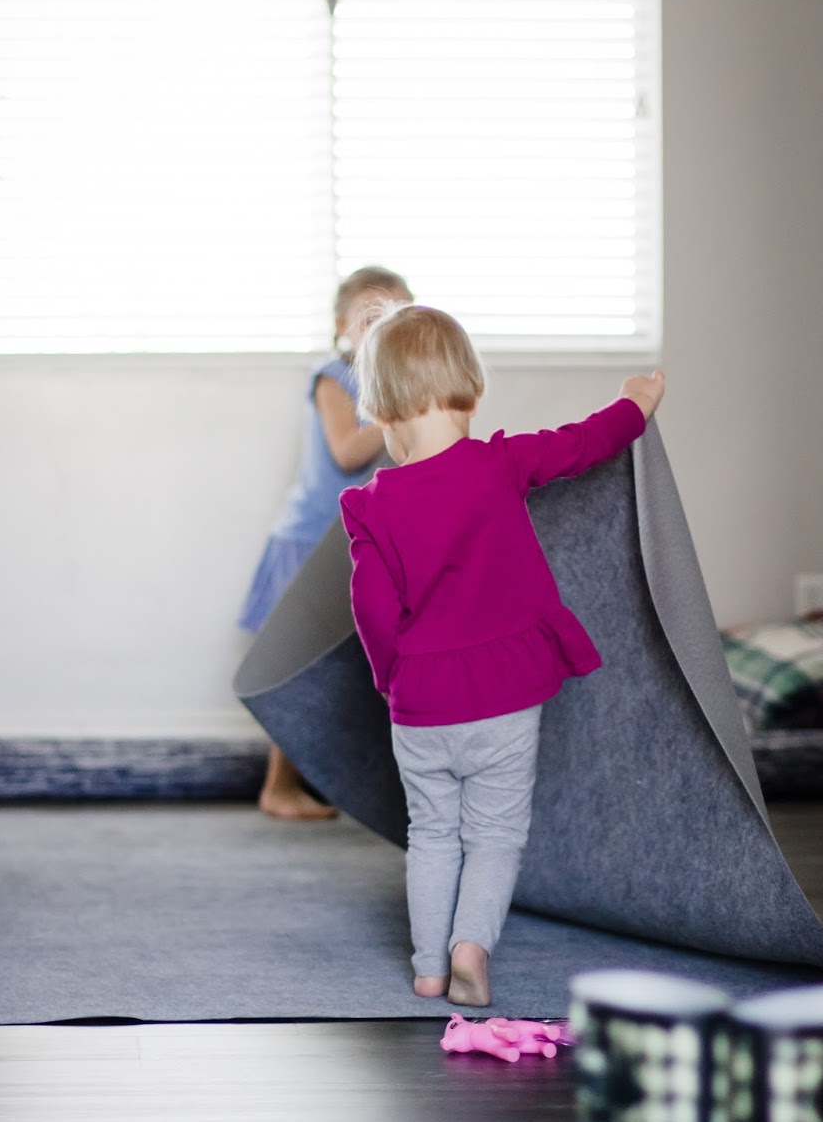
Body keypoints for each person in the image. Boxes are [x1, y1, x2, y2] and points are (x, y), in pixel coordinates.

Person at [340, 303, 664, 1006]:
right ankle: (470, 950)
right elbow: (584, 443)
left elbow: (371, 610)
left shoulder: (371, 505)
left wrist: (391, 680)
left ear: (388, 420)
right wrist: (634, 405)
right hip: (506, 700)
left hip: (421, 707)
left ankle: (427, 968)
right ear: (470, 395)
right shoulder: (502, 463)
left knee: (431, 834)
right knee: (493, 836)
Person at [239, 265, 414, 820]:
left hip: (357, 538)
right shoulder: (331, 378)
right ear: (342, 325)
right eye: (371, 314)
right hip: (312, 539)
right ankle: (278, 786)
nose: (384, 323)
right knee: (300, 664)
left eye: (397, 313)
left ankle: (339, 781)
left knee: (359, 660)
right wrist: (400, 413)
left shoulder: (401, 386)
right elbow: (346, 452)